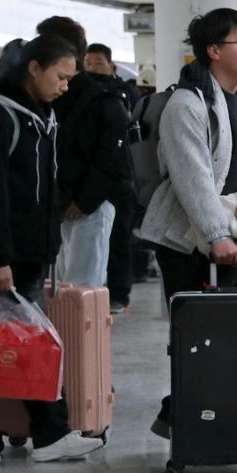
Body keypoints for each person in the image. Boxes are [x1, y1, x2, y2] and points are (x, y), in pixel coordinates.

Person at [137, 8, 237, 438]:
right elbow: (193, 180)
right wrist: (215, 236)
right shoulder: (186, 105)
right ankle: (186, 418)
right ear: (213, 51)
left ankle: (218, 417)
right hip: (185, 239)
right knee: (197, 336)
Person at [0, 34, 105, 462]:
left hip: (30, 252)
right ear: (34, 68)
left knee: (25, 344)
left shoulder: (40, 114)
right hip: (4, 255)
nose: (65, 86)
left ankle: (43, 433)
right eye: (60, 76)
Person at [39, 17, 131, 291]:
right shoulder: (45, 97)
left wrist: (84, 200)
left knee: (82, 289)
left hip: (88, 207)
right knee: (58, 289)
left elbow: (111, 157)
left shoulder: (100, 98)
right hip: (57, 206)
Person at [85, 44, 141, 313]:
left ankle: (119, 294)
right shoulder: (82, 92)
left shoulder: (124, 94)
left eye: (98, 62)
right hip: (94, 179)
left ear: (111, 65)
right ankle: (93, 295)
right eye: (88, 63)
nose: (92, 68)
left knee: (119, 238)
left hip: (121, 179)